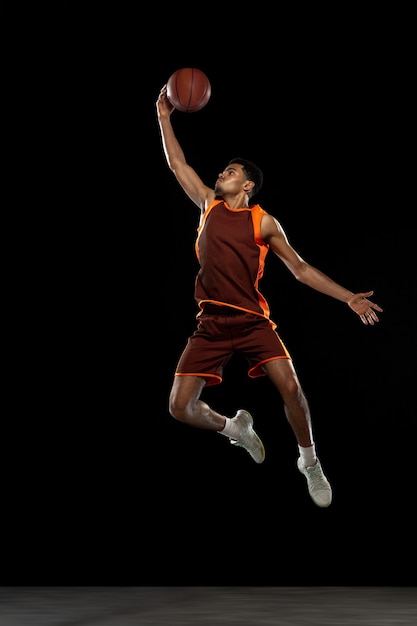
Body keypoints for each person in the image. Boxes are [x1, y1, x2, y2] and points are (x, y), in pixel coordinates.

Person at [156, 84, 383, 508]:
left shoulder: (263, 222)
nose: (221, 173)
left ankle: (309, 461)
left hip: (252, 321)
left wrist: (348, 296)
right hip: (211, 323)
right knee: (180, 408)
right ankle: (234, 429)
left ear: (248, 185)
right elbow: (177, 165)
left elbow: (299, 268)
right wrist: (164, 117)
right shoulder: (207, 204)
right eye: (223, 169)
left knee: (292, 389)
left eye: (230, 171)